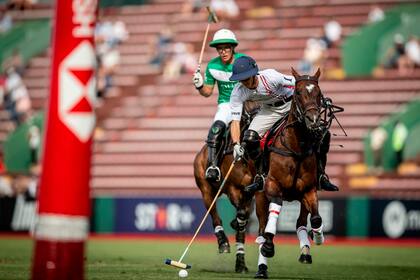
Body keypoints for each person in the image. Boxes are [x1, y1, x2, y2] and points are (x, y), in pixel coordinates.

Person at [228, 55, 339, 191]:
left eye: (246, 78)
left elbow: (303, 85)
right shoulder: (237, 92)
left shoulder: (271, 77)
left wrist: (319, 99)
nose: (244, 82)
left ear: (253, 74)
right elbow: (235, 121)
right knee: (250, 138)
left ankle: (321, 176)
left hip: (292, 105)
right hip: (269, 110)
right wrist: (235, 144)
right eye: (241, 79)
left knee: (322, 133)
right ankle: (261, 175)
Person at [192, 28, 246, 182]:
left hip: (247, 101)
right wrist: (199, 85)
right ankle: (213, 167)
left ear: (233, 47)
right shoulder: (212, 66)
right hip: (227, 104)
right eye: (220, 49)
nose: (223, 52)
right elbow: (207, 92)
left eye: (226, 48)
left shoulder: (244, 61)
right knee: (215, 129)